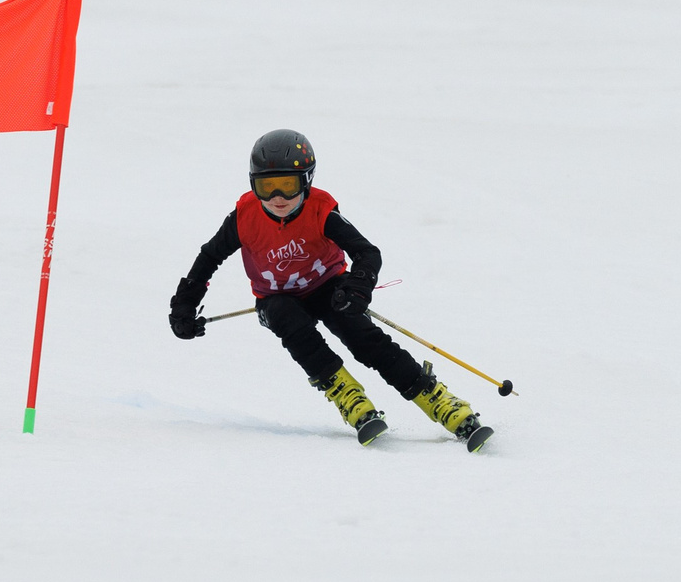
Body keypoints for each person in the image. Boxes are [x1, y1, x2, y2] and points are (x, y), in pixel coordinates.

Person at [167, 129, 492, 451]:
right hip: (275, 298)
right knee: (288, 320)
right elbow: (209, 257)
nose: (277, 197)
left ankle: (437, 399)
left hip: (327, 287)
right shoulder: (245, 217)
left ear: (307, 181)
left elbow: (367, 253)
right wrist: (185, 304)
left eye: (288, 185)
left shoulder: (320, 210)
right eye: (266, 187)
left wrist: (358, 287)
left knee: (363, 338)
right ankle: (347, 395)